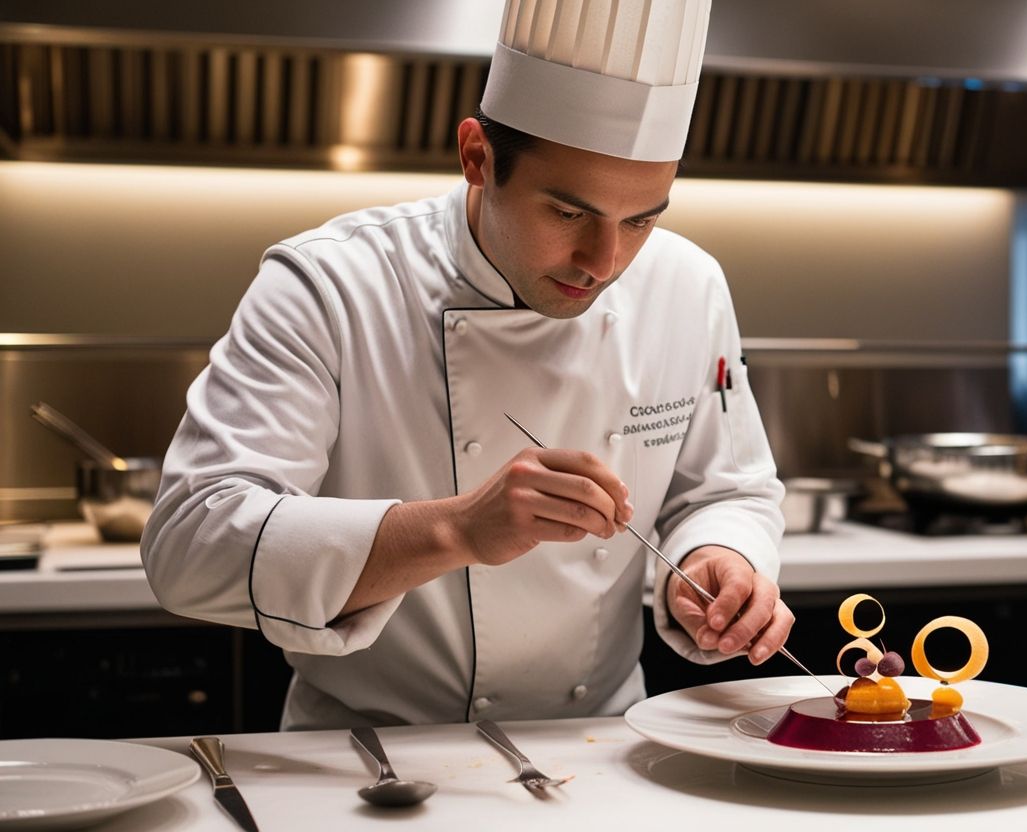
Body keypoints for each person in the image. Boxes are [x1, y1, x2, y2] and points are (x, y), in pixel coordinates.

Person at [142, 0, 794, 729]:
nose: (605, 263)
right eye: (569, 213)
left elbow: (727, 491)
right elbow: (190, 546)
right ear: (477, 156)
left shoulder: (688, 284)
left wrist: (720, 557)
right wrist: (454, 529)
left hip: (602, 749)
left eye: (641, 219)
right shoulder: (330, 286)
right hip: (369, 761)